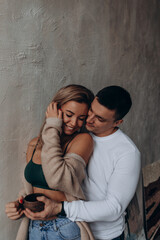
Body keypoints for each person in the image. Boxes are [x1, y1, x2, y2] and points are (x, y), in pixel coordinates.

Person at [23, 86, 141, 240]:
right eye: (90, 111)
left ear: (117, 122)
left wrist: (61, 208)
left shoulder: (127, 152)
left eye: (99, 118)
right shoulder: (75, 133)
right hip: (70, 224)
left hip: (103, 234)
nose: (89, 120)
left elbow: (114, 208)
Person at [5, 84, 95, 240]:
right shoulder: (34, 144)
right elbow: (32, 189)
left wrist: (53, 125)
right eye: (69, 114)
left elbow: (57, 179)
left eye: (82, 118)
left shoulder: (82, 140)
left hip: (64, 227)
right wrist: (19, 204)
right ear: (55, 109)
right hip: (34, 227)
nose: (74, 123)